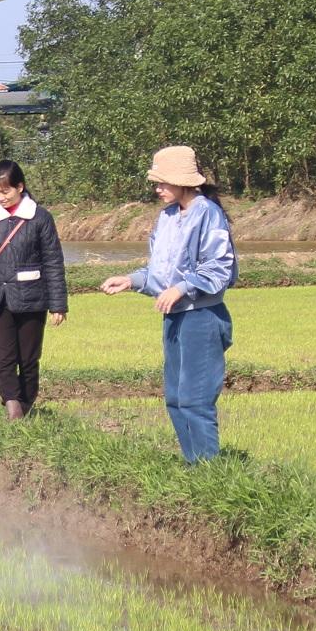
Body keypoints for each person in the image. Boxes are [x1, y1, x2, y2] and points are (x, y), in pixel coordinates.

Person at [100, 146, 238, 462]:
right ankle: (194, 468)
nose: (157, 188)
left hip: (201, 317)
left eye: (163, 182)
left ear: (182, 181)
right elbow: (160, 272)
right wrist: (131, 280)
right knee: (175, 399)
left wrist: (183, 287)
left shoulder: (208, 214)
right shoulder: (168, 217)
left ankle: (210, 474)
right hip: (174, 317)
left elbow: (219, 267)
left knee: (195, 399)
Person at [0, 159, 67, 420]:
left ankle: (25, 406)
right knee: (3, 358)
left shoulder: (40, 218)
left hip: (32, 299)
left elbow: (53, 261)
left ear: (20, 187)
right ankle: (13, 410)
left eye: (6, 191)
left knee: (28, 360)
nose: (1, 197)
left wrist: (58, 304)